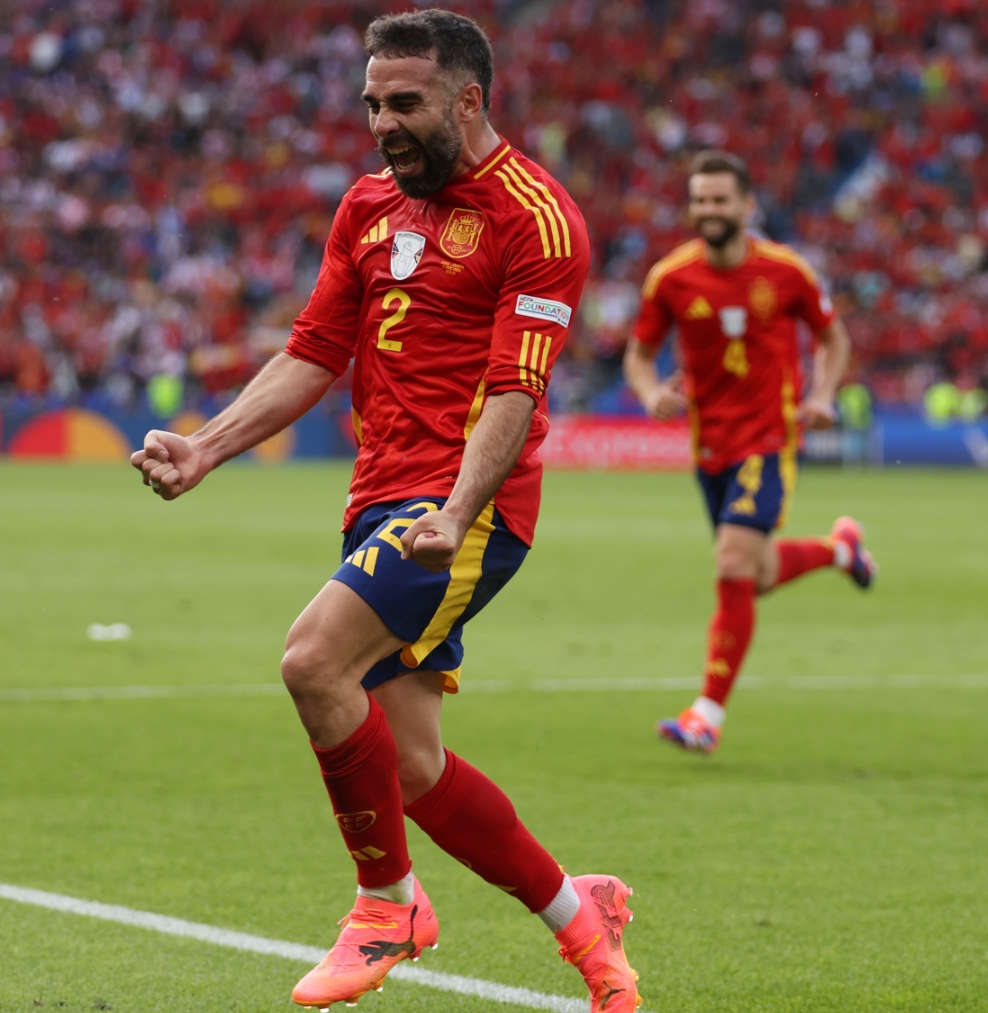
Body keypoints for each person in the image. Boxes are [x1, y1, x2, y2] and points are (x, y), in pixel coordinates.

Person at [130, 11, 640, 1011]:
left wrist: (455, 507)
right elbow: (315, 353)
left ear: (468, 100)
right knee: (407, 763)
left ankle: (386, 902)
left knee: (313, 660)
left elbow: (515, 388)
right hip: (380, 500)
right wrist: (207, 445)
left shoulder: (536, 218)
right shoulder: (366, 206)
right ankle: (583, 919)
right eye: (372, 103)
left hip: (465, 508)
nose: (383, 124)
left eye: (404, 103)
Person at [623, 150, 876, 758]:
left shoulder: (787, 273)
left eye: (720, 200)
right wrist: (651, 390)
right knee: (753, 574)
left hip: (768, 437)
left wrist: (821, 395)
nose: (709, 210)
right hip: (709, 445)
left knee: (732, 560)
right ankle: (841, 550)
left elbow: (832, 338)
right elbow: (638, 353)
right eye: (701, 200)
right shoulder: (671, 277)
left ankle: (705, 714)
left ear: (747, 206)